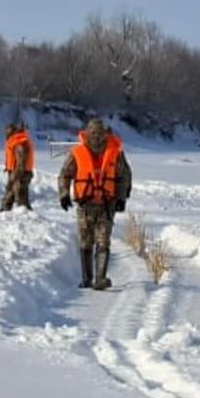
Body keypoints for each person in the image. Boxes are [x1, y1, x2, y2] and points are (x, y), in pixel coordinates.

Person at [57, 118, 132, 290]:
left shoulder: (115, 153)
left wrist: (122, 198)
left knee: (103, 241)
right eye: (93, 133)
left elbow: (124, 177)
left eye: (100, 133)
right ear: (87, 133)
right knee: (85, 242)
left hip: (107, 205)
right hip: (85, 206)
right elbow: (64, 175)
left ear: (105, 134)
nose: (96, 136)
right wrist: (64, 194)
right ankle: (86, 279)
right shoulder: (76, 153)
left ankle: (100, 279)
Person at [0, 121, 34, 212]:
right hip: (17, 172)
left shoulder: (19, 141)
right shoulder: (15, 140)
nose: (5, 134)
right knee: (10, 194)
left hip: (20, 174)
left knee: (21, 197)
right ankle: (4, 212)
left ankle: (26, 215)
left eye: (7, 131)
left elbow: (21, 161)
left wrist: (15, 174)